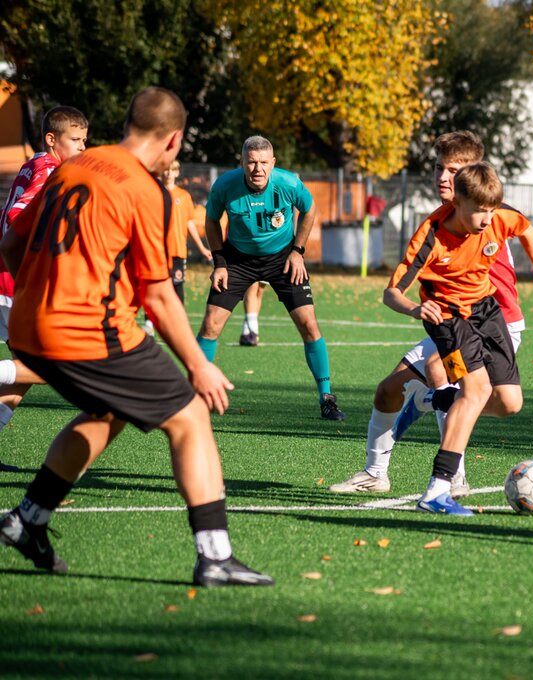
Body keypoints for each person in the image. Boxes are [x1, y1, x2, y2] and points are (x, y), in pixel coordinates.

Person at [0, 87, 273, 587]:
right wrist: (199, 365)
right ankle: (215, 555)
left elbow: (13, 241)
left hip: (27, 323)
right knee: (190, 416)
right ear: (174, 140)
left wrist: (36, 299)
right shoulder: (147, 192)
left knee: (110, 411)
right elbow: (160, 297)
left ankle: (28, 520)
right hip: (86, 329)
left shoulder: (72, 167)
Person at [329, 131, 527, 497]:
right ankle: (376, 473)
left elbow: (520, 234)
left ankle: (453, 478)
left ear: (474, 175)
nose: (442, 177)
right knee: (389, 390)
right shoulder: (443, 221)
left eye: (452, 170)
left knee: (446, 377)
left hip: (490, 324)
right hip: (453, 321)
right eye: (438, 168)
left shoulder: (486, 215)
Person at [384, 162, 533, 515]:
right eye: (480, 211)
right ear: (457, 202)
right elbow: (391, 293)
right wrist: (415, 309)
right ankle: (438, 491)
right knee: (476, 391)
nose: (487, 220)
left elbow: (526, 228)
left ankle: (432, 399)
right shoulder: (431, 236)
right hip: (447, 319)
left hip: (486, 310)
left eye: (491, 210)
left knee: (509, 403)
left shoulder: (497, 218)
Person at [195, 135, 345, 420]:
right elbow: (211, 220)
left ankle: (326, 397)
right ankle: (195, 398)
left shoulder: (288, 183)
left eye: (264, 162)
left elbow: (310, 209)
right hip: (237, 259)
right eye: (251, 162)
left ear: (273, 163)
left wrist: (298, 251)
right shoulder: (225, 186)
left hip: (283, 258)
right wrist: (220, 263)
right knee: (211, 323)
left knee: (309, 324)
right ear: (241, 163)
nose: (258, 169)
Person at [0, 105, 89, 472]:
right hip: (15, 284)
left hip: (10, 281)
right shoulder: (52, 171)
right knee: (51, 367)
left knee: (25, 373)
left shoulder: (36, 164)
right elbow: (16, 217)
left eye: (84, 140)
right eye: (76, 140)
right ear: (52, 139)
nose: (83, 147)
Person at [143, 159, 212, 336]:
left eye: (172, 170)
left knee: (177, 287)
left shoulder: (184, 196)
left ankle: (177, 322)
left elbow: (189, 223)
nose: (168, 173)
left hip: (177, 250)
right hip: (156, 251)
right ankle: (149, 322)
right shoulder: (153, 193)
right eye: (165, 170)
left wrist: (202, 248)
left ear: (177, 172)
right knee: (153, 285)